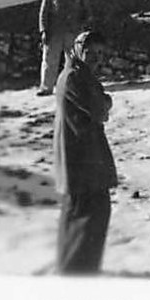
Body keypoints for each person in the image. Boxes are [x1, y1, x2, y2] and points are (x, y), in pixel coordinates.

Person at [53, 30, 118, 275]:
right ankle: (76, 275)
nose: (97, 58)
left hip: (84, 158)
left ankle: (78, 272)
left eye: (101, 54)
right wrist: (105, 101)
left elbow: (98, 105)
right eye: (92, 52)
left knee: (87, 217)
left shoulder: (80, 75)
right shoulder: (74, 77)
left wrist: (102, 101)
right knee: (86, 217)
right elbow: (99, 108)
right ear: (80, 49)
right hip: (81, 160)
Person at [38, 0, 90, 95]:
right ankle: (46, 88)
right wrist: (43, 31)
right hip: (54, 32)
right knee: (50, 60)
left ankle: (73, 87)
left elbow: (87, 12)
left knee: (74, 61)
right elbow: (43, 13)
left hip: (73, 33)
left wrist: (83, 29)